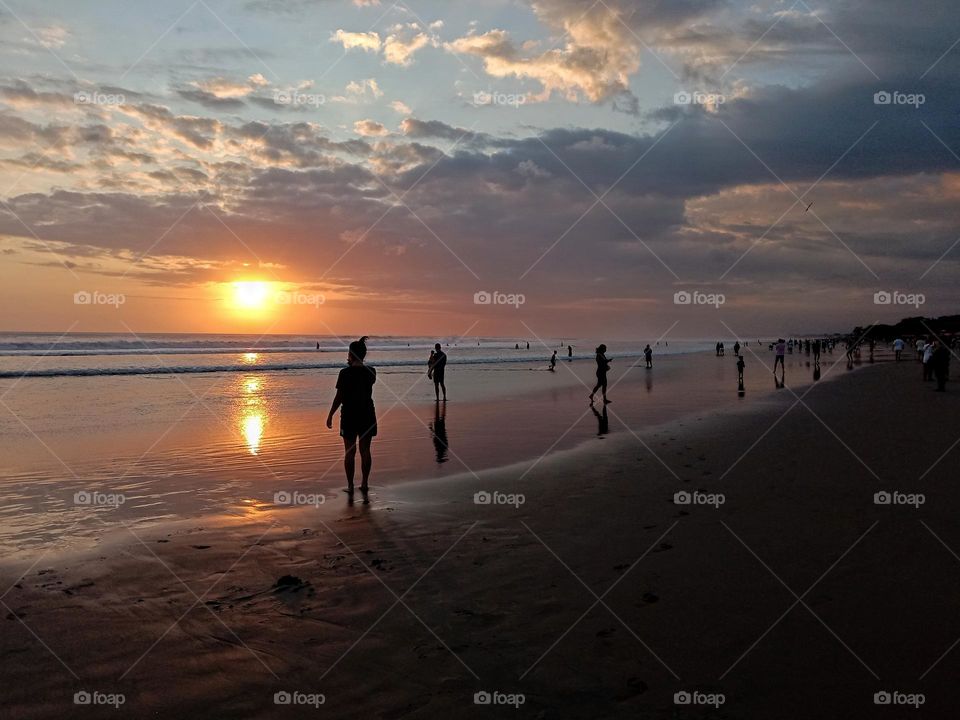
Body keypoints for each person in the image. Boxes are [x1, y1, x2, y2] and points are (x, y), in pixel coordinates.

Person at [326, 336, 376, 500]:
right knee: (365, 450)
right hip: (367, 413)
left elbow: (339, 397)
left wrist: (330, 414)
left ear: (351, 354)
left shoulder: (345, 373)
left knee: (350, 452)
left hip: (349, 415)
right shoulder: (371, 372)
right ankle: (365, 483)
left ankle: (350, 486)